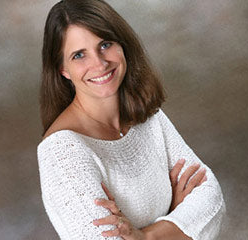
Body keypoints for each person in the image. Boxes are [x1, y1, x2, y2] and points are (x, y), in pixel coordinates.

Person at [37, 0, 226, 239]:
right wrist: (178, 219)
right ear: (63, 69)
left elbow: (212, 199)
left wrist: (146, 236)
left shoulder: (148, 116)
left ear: (123, 45)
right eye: (79, 55)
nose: (99, 63)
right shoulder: (62, 152)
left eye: (105, 44)